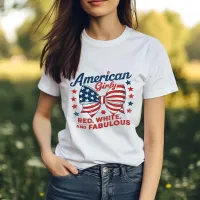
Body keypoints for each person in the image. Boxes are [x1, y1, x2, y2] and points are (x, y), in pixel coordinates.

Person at [32, 0, 179, 199]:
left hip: (129, 185)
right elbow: (42, 115)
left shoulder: (148, 49)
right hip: (71, 184)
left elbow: (153, 138)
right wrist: (47, 155)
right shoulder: (62, 51)